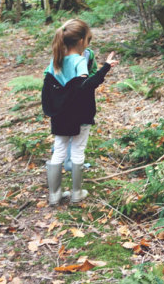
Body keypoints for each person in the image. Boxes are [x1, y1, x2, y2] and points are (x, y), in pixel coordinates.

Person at [42, 19, 118, 205]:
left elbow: (49, 84)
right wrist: (106, 67)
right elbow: (85, 86)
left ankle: (55, 195)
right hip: (80, 114)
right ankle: (76, 194)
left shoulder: (55, 60)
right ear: (83, 41)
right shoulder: (79, 61)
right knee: (77, 150)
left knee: (59, 150)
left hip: (60, 115)